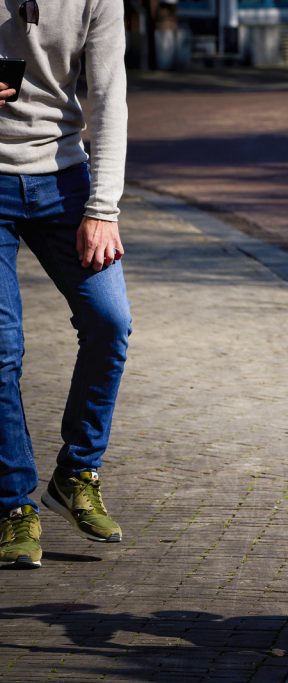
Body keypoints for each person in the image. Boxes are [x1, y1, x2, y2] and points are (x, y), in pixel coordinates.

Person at [0, 0, 131, 569]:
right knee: (1, 349)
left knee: (110, 322)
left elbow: (108, 99)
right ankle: (11, 504)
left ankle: (76, 472)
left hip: (64, 179)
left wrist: (102, 208)